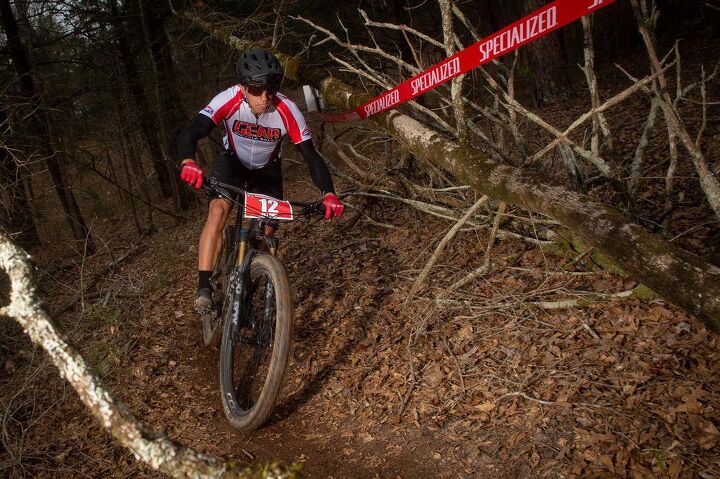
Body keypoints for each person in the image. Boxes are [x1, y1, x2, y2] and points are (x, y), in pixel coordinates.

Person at [177, 48, 344, 313]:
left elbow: (310, 154)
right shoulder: (227, 99)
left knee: (267, 232)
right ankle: (204, 288)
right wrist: (188, 161)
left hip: (267, 170)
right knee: (218, 212)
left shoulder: (286, 109)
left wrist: (328, 192)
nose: (265, 98)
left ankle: (253, 279)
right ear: (242, 87)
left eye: (270, 89)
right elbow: (193, 130)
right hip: (232, 163)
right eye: (256, 90)